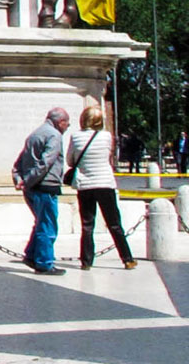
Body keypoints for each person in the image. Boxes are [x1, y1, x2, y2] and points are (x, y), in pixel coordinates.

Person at [68, 105, 135, 270]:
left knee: (87, 224)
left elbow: (71, 161)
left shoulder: (75, 137)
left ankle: (86, 261)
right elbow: (108, 156)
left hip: (85, 185)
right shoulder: (106, 136)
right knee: (114, 223)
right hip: (105, 183)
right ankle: (127, 258)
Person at [11, 107, 69, 275]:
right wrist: (28, 180)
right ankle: (44, 262)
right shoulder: (54, 136)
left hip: (32, 188)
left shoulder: (34, 134)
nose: (67, 127)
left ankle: (31, 254)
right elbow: (46, 163)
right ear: (61, 122)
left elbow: (18, 162)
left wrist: (19, 179)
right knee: (47, 226)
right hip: (45, 186)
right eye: (67, 124)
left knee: (40, 223)